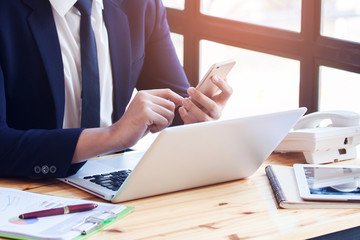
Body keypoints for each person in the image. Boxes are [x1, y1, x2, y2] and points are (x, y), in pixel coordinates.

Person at [0, 0, 232, 178]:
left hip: (112, 177)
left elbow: (178, 105)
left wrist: (198, 113)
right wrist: (112, 136)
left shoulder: (140, 5)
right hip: (30, 185)